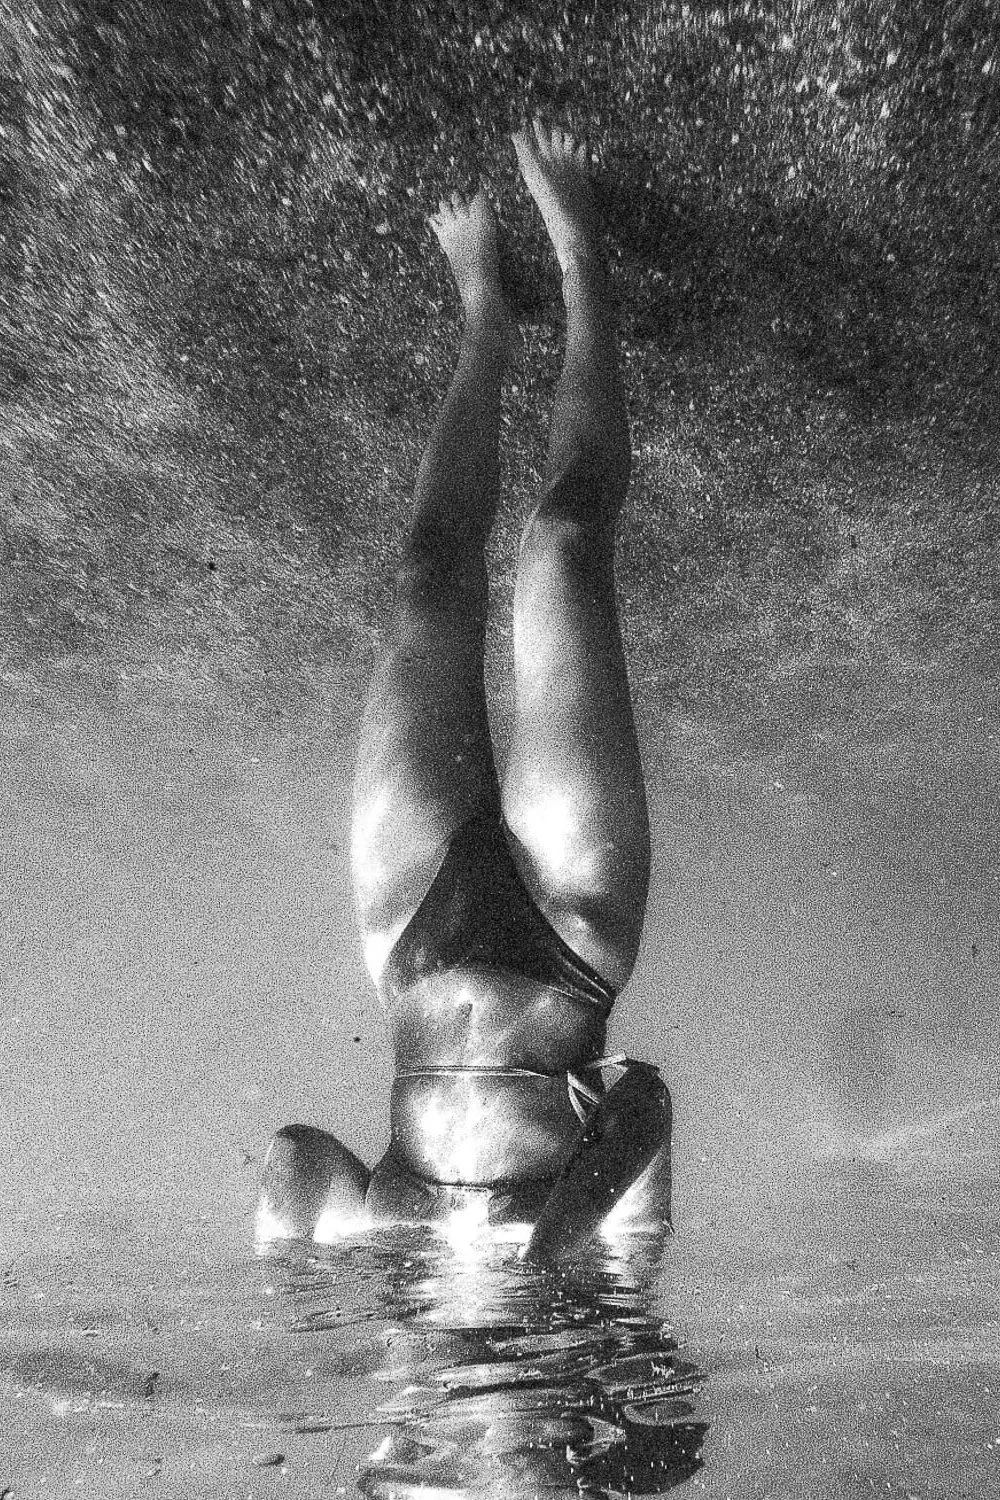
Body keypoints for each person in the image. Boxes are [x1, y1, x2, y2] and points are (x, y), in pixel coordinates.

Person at [256, 117, 668, 1261]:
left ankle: (484, 324)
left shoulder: (395, 1319)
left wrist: (300, 1290)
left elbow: (298, 1155)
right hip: (567, 932)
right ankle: (584, 264)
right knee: (562, 544)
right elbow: (643, 1105)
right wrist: (544, 1266)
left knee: (426, 579)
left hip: (407, 943)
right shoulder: (605, 1307)